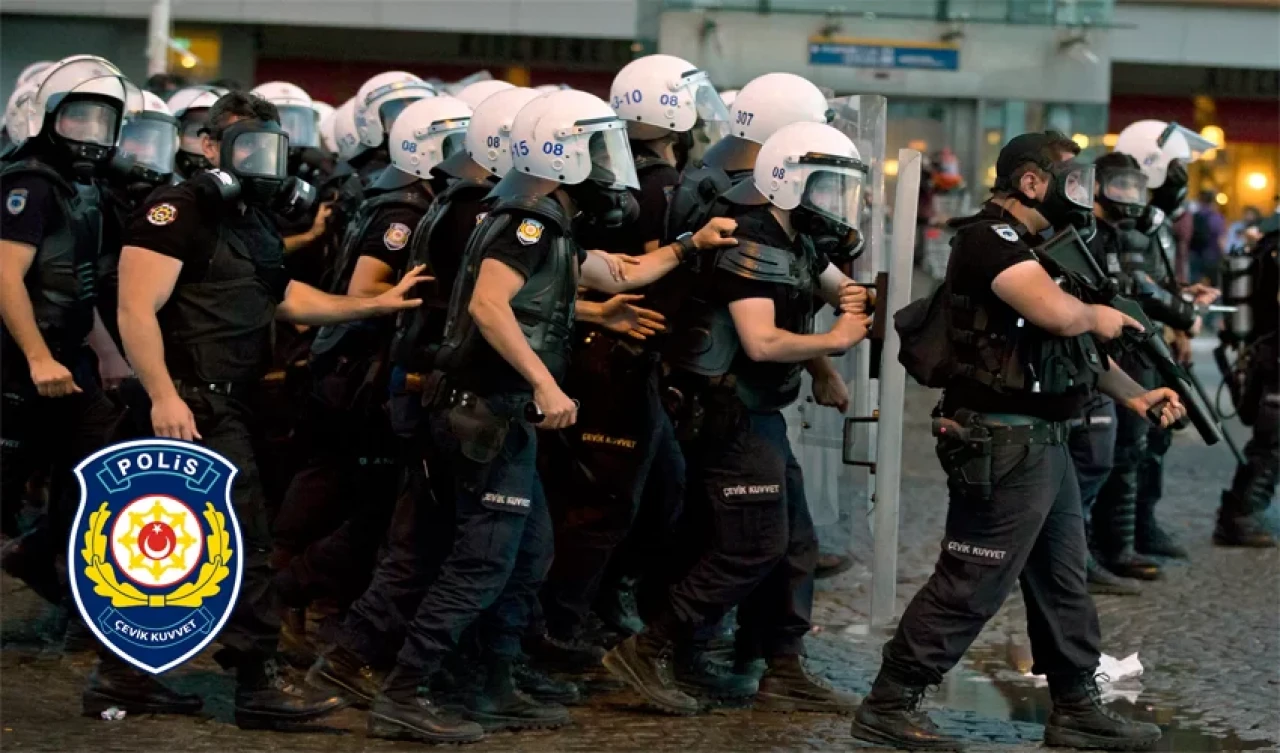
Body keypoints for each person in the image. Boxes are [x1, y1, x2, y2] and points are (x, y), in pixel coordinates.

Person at [363, 88, 737, 744]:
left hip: (501, 415)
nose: (605, 165)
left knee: (527, 552)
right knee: (482, 559)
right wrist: (547, 384)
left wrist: (689, 242)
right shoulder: (525, 222)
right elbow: (487, 305)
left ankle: (493, 678)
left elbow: (619, 271)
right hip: (486, 410)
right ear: (559, 155)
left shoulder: (548, 221)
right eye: (593, 149)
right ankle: (407, 687)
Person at [102, 90, 429, 729]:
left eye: (267, 142)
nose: (258, 154)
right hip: (189, 405)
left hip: (232, 402)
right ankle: (257, 682)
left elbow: (281, 297)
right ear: (207, 145)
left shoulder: (251, 219)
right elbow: (133, 309)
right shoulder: (176, 209)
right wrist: (166, 396)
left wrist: (373, 307)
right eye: (242, 140)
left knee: (179, 548)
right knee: (235, 542)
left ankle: (122, 677)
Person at [851, 132, 1181, 751]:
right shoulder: (990, 240)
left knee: (1063, 581)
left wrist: (1135, 393)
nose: (1078, 191)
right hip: (1002, 441)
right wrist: (1101, 314)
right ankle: (889, 704)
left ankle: (1076, 708)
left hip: (1043, 438)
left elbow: (1070, 347)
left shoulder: (1042, 246)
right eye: (1067, 177)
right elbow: (1062, 316)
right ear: (1031, 182)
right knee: (971, 579)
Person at [604, 120, 870, 717]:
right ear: (785, 181)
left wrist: (854, 307)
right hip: (730, 414)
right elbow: (762, 342)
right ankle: (649, 650)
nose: (832, 204)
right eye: (823, 187)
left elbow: (842, 289)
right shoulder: (752, 239)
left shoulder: (793, 235)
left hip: (760, 415)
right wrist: (835, 340)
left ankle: (783, 666)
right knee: (751, 547)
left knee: (795, 544)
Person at [532, 52, 732, 680]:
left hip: (631, 357)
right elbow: (627, 272)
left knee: (657, 496)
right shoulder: (658, 189)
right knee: (602, 506)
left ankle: (592, 607)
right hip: (614, 360)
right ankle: (558, 629)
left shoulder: (648, 181)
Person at [0, 55, 130, 611]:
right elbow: (5, 275)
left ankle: (38, 550)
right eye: (78, 120)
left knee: (93, 470)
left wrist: (108, 354)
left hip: (68, 356)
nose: (91, 137)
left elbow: (75, 284)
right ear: (45, 117)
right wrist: (35, 359)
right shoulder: (30, 183)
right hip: (19, 362)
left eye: (102, 123)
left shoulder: (85, 191)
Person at [1215, 215, 1278, 547]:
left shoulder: (1268, 241)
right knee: (1272, 446)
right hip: (1275, 357)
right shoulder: (1275, 247)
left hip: (1267, 352)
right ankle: (1239, 516)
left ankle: (1242, 513)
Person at [1190, 188, 1226, 286]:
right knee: (1215, 284)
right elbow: (1220, 239)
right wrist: (1225, 255)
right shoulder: (1216, 217)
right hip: (1212, 255)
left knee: (1194, 283)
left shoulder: (1194, 216)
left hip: (1194, 254)